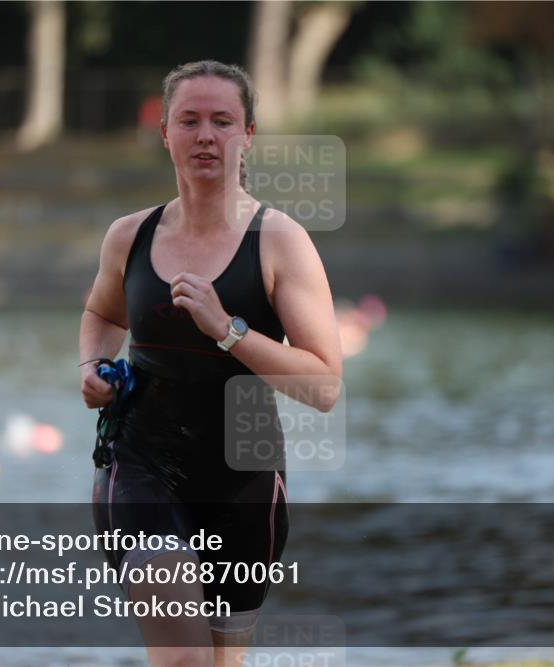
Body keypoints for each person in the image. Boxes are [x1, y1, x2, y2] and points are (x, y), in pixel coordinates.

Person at [79, 60, 342, 667]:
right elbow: (102, 314)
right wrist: (91, 366)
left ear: (248, 135)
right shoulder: (129, 236)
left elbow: (324, 385)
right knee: (183, 661)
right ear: (165, 132)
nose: (205, 135)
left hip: (244, 480)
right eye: (189, 120)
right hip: (140, 465)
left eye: (222, 121)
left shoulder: (279, 241)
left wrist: (228, 331)